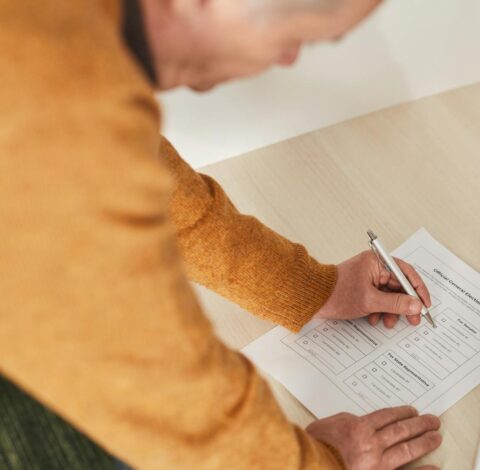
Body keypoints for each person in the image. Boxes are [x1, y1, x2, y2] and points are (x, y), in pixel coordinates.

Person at [0, 0, 444, 468]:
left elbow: (174, 205)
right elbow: (168, 390)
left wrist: (315, 287)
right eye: (296, 36)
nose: (289, 59)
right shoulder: (50, 105)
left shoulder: (69, 33)